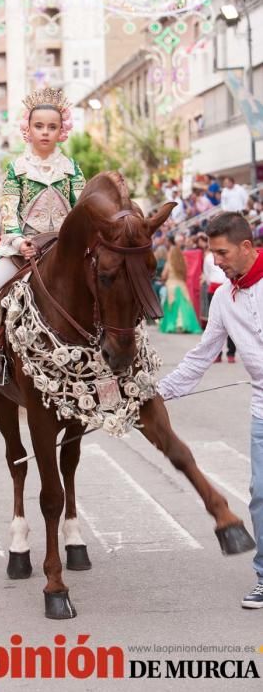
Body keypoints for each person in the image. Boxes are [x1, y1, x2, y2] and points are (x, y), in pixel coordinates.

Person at [158, 212, 263, 608]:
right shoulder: (222, 298)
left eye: (222, 253)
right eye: (213, 253)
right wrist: (156, 394)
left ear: (247, 247)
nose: (215, 261)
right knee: (260, 493)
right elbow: (201, 357)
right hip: (262, 412)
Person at [0, 87, 85, 383]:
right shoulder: (16, 169)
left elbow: (81, 210)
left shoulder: (72, 170)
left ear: (61, 130)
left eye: (52, 127)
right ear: (27, 129)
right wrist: (18, 241)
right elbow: (8, 211)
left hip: (66, 248)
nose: (45, 132)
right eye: (38, 126)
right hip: (22, 247)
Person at [159, 245, 202, 334]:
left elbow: (163, 275)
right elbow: (185, 276)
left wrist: (163, 278)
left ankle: (172, 325)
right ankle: (186, 325)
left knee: (171, 306)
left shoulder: (169, 263)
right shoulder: (184, 262)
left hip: (171, 286)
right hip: (182, 286)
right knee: (184, 306)